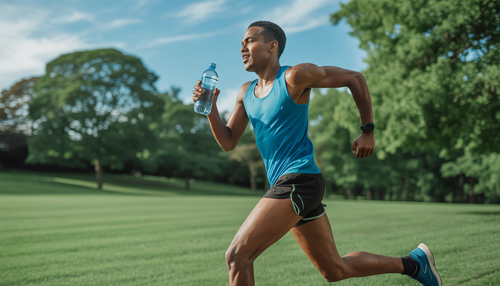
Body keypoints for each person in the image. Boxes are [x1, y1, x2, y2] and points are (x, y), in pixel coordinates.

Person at [192, 21, 441, 286]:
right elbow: (228, 141)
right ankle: (415, 264)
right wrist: (211, 109)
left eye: (249, 41)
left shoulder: (295, 76)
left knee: (237, 256)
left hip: (298, 180)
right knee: (334, 270)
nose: (242, 47)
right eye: (241, 43)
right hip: (289, 185)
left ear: (272, 46)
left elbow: (354, 78)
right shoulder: (245, 93)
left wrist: (367, 130)